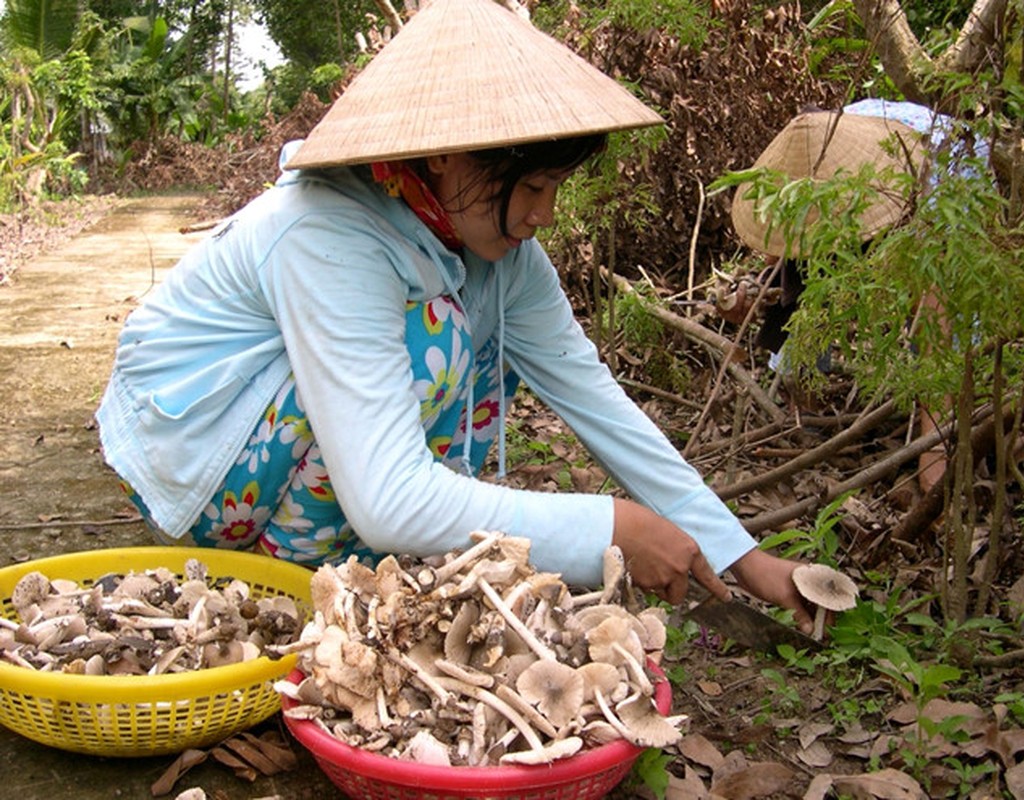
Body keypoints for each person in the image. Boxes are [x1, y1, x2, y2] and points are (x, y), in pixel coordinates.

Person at [95, 0, 813, 630]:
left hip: (290, 444)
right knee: (434, 337)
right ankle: (293, 581)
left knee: (469, 338)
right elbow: (387, 500)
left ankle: (351, 566)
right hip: (200, 458)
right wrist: (611, 530)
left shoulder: (496, 248)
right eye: (529, 185)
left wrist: (739, 554)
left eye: (555, 186)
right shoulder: (325, 234)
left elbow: (593, 397)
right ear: (442, 156)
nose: (543, 216)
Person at [727, 99, 988, 492]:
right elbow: (781, 266)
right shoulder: (810, 157)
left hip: (945, 168)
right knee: (801, 289)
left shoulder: (930, 218)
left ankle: (948, 436)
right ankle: (807, 415)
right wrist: (754, 299)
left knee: (939, 331)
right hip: (863, 144)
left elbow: (937, 352)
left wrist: (932, 472)